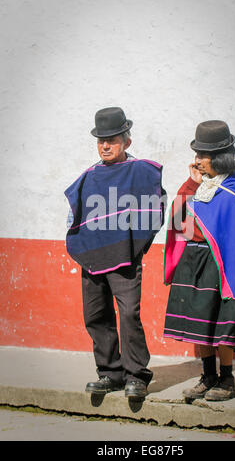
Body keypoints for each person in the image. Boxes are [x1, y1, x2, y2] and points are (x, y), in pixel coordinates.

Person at [65, 107, 166, 399]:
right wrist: (81, 246)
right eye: (101, 140)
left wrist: (137, 245)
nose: (105, 145)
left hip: (125, 257)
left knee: (129, 315)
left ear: (127, 142)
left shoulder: (142, 172)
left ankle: (137, 376)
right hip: (92, 258)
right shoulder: (88, 177)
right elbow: (75, 215)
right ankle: (110, 373)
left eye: (112, 139)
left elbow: (157, 209)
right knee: (96, 316)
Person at [163, 120, 235, 402]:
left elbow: (217, 226)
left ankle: (226, 379)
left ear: (221, 158)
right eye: (197, 155)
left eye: (205, 156)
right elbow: (180, 218)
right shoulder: (198, 187)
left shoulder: (230, 191)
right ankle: (207, 377)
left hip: (221, 265)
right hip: (193, 262)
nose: (199, 161)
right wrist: (191, 183)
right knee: (198, 322)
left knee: (222, 322)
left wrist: (198, 225)